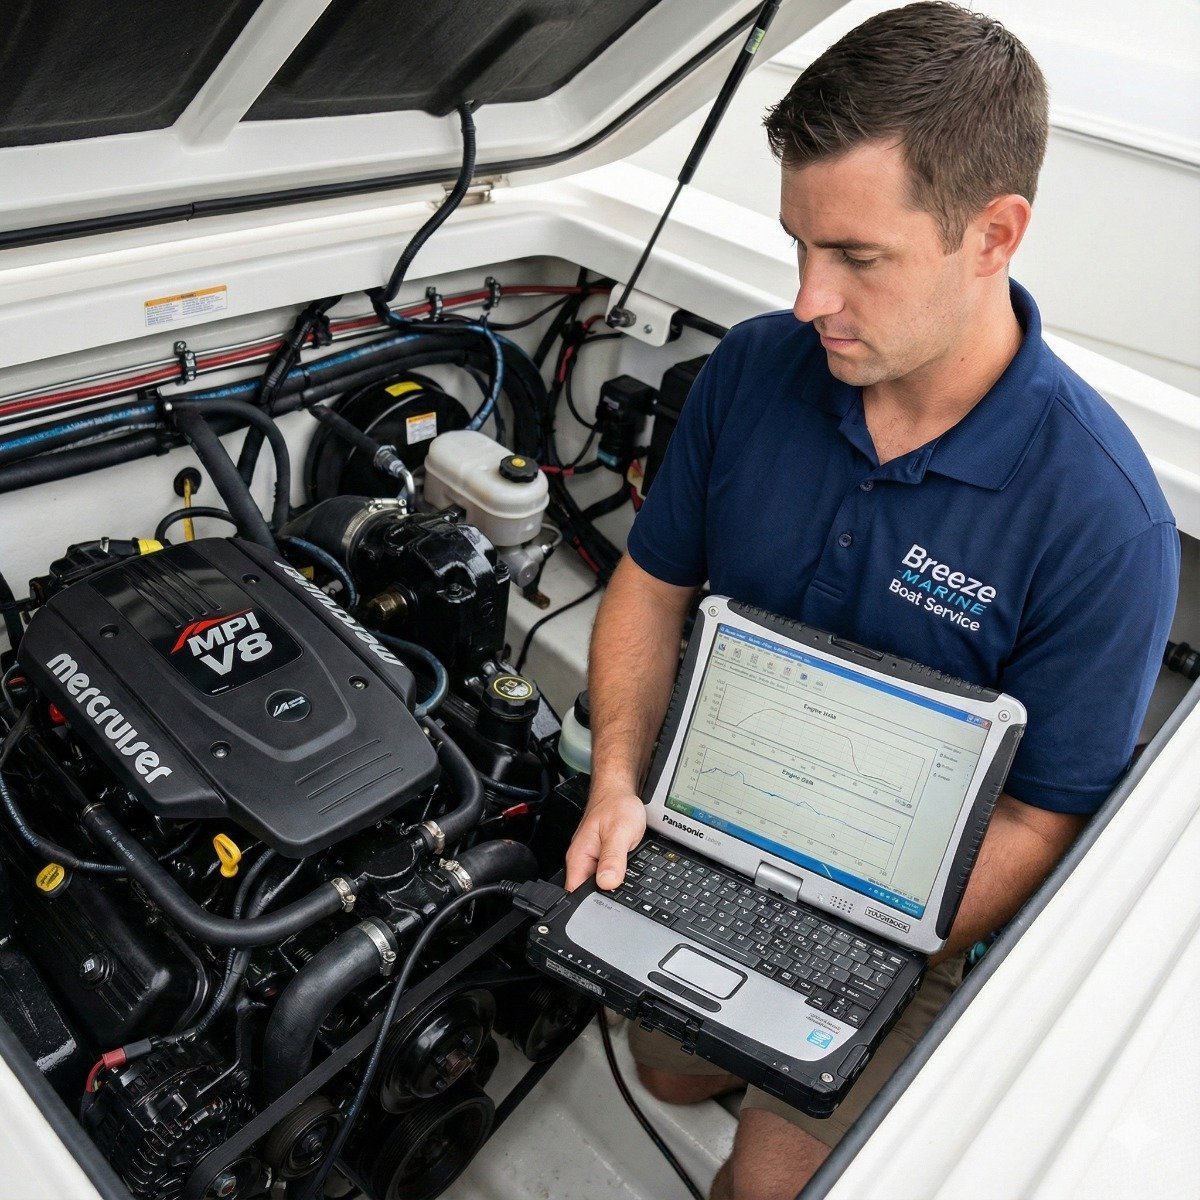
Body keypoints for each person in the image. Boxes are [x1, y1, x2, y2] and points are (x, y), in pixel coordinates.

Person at [563, 3, 1180, 1198]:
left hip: (904, 920)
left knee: (763, 1190)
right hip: (704, 836)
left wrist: (836, 943)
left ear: (994, 234)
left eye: (856, 257)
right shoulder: (753, 370)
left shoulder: (1105, 522)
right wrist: (619, 784)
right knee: (667, 1064)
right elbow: (649, 586)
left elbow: (1044, 826)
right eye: (800, 243)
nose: (806, 299)